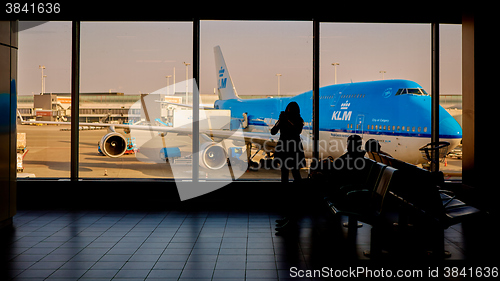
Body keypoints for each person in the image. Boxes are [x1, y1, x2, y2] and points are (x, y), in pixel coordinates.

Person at [270, 101, 305, 235]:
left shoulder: (298, 121)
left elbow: (297, 131)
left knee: (295, 175)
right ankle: (287, 212)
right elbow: (273, 132)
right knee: (285, 176)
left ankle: (295, 199)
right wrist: (280, 121)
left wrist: (286, 120)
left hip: (292, 150)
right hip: (287, 149)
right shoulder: (284, 120)